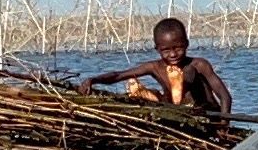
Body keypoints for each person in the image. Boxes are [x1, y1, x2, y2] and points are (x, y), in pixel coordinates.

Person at [84, 16, 233, 118]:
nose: (173, 54)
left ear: (187, 44)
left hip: (206, 113)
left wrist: (223, 122)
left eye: (178, 48)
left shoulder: (199, 65)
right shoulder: (155, 67)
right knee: (146, 94)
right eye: (166, 50)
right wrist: (93, 80)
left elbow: (224, 96)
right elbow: (118, 75)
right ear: (158, 49)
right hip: (180, 113)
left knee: (188, 72)